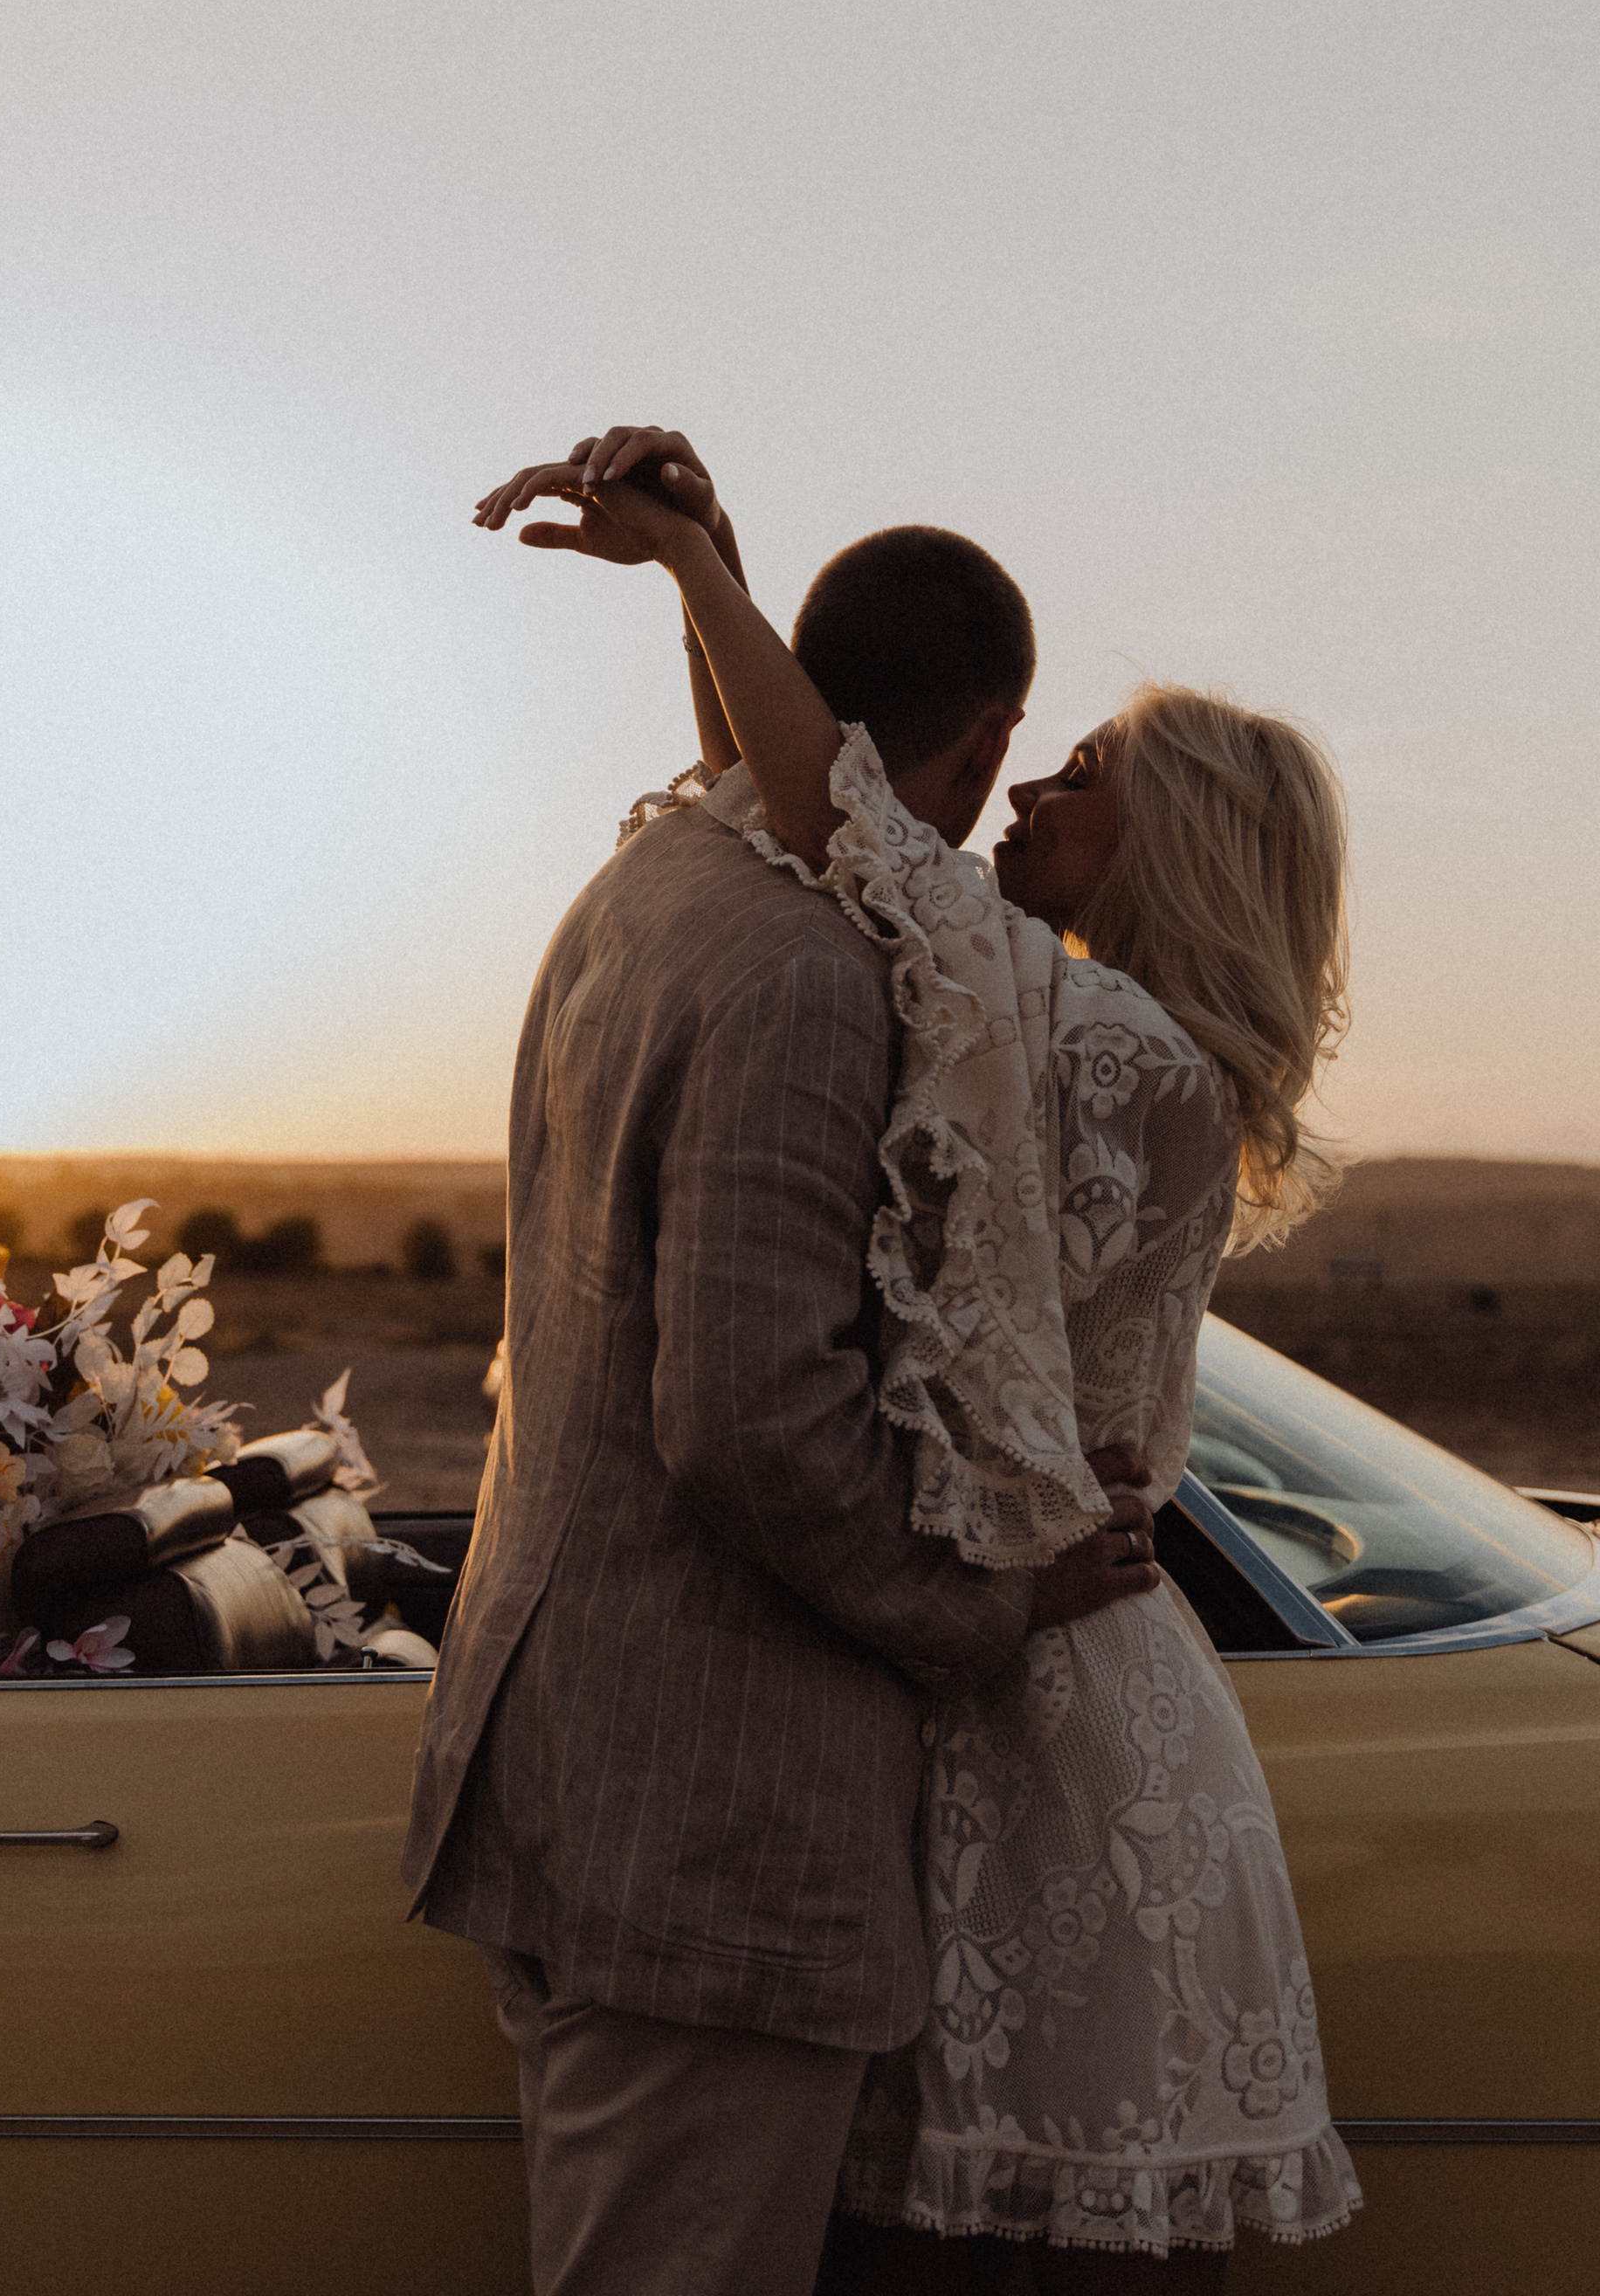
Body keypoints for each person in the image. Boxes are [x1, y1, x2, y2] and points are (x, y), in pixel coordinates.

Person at [473, 426, 1360, 2285]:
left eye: (1086, 776)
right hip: (968, 1671)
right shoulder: (1021, 1019)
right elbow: (819, 839)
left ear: (1180, 849)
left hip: (1048, 1702)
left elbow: (842, 835)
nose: (1029, 785)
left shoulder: (1114, 1051)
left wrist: (703, 574)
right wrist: (714, 588)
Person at [402, 490, 1164, 2296]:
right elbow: (749, 1420)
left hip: (572, 1756)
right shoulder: (817, 971)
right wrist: (979, 1602)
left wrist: (703, 576)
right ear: (982, 743)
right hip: (713, 1826)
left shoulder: (653, 879)